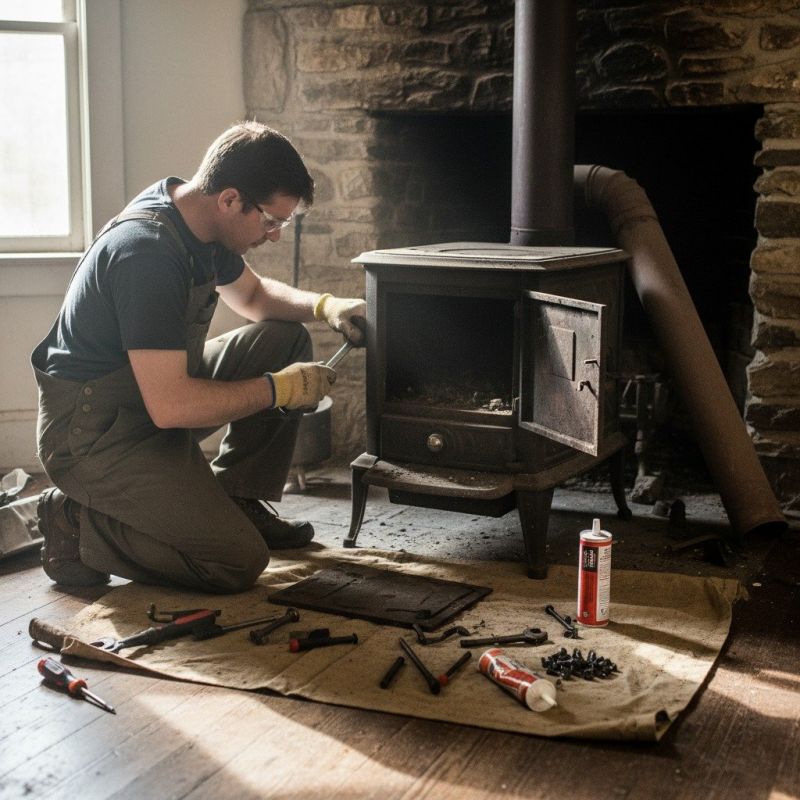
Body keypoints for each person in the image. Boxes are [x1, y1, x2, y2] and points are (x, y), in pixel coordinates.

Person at [31, 121, 366, 593]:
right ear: (230, 199)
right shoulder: (145, 254)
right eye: (271, 221)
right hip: (95, 432)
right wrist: (281, 389)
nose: (273, 236)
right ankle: (77, 520)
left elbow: (253, 297)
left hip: (149, 397)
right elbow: (173, 409)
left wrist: (325, 306)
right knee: (236, 562)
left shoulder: (197, 219)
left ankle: (238, 496)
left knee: (282, 340)